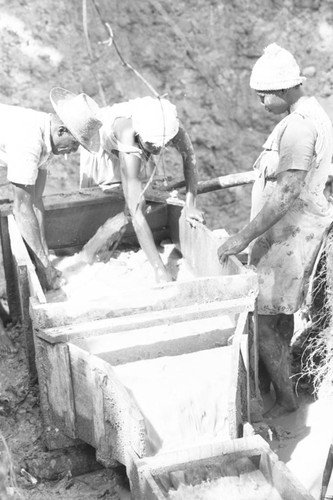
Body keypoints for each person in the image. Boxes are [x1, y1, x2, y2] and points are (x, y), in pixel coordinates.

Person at [217, 43, 333, 417]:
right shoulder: (312, 114)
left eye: (263, 95)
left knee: (264, 323)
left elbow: (285, 194)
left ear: (283, 89)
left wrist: (242, 237)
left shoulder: (299, 128)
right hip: (291, 234)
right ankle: (278, 386)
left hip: (289, 237)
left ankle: (285, 401)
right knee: (279, 314)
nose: (261, 103)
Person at [0, 87, 102, 354]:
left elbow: (37, 202)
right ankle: (3, 332)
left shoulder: (49, 141)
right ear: (62, 131)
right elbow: (20, 207)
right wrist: (44, 267)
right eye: (75, 145)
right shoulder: (29, 140)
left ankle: (5, 319)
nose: (72, 153)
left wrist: (43, 258)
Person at [80, 95, 204, 283]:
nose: (157, 150)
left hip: (138, 148)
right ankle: (88, 251)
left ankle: (108, 241)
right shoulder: (127, 133)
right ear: (141, 136)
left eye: (161, 146)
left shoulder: (169, 126)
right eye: (152, 145)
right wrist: (159, 268)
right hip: (104, 150)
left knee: (145, 202)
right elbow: (136, 210)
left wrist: (190, 203)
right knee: (129, 205)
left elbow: (190, 159)